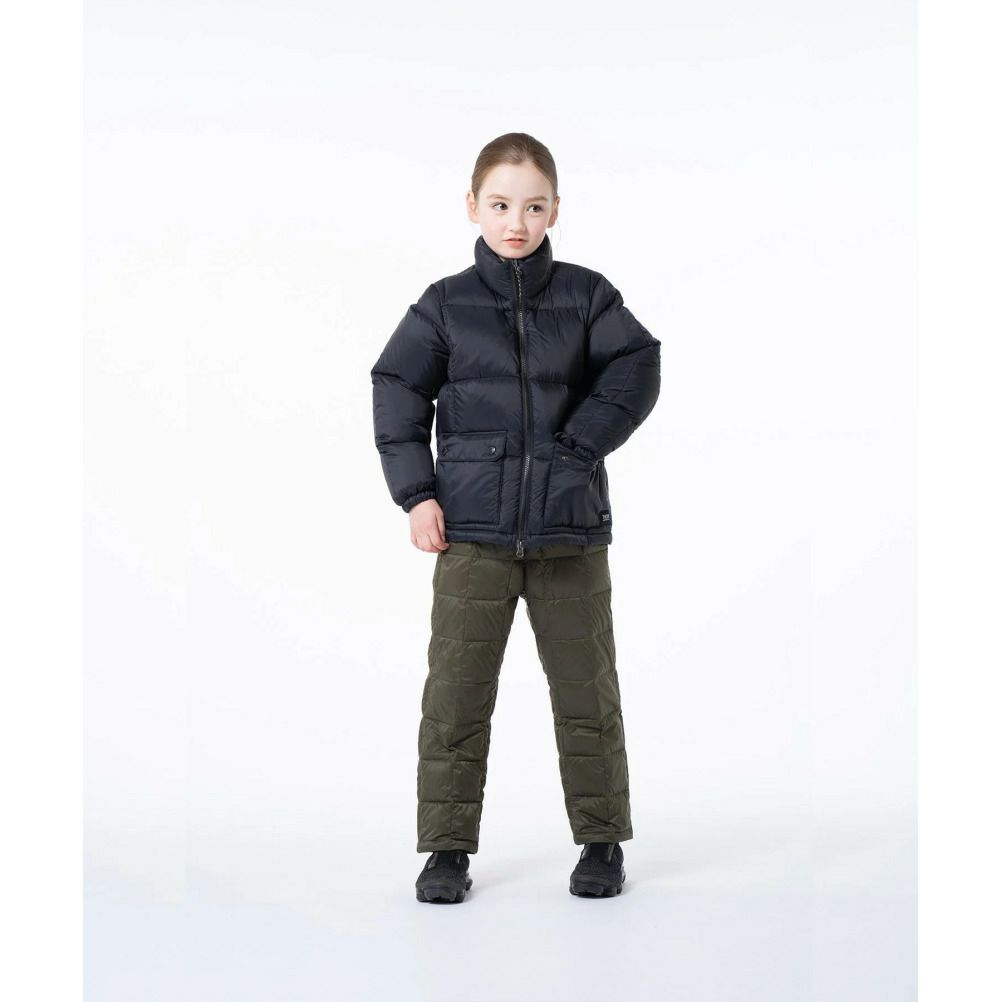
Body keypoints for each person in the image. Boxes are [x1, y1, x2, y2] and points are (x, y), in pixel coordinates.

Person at [370, 132, 661, 903]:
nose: (516, 222)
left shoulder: (587, 297)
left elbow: (638, 363)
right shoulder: (444, 305)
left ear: (555, 210)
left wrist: (577, 449)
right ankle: (445, 851)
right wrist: (417, 494)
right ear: (473, 206)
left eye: (534, 207)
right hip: (472, 536)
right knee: (456, 698)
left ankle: (602, 842)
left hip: (569, 532)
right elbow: (397, 386)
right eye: (501, 205)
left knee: (587, 697)